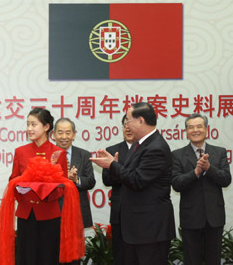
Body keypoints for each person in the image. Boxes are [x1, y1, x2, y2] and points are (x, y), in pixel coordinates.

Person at [0, 108, 84, 265]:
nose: (29, 129)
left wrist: (44, 191)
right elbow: (13, 180)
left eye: (33, 124)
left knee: (49, 257)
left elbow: (62, 187)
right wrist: (22, 190)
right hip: (26, 214)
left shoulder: (58, 153)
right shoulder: (21, 152)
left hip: (49, 215)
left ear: (46, 127)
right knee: (26, 257)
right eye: (28, 124)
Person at [90, 102, 175, 265]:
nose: (126, 125)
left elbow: (137, 180)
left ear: (141, 121)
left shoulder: (156, 147)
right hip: (137, 229)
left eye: (128, 120)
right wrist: (114, 165)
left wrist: (112, 165)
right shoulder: (139, 144)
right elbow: (127, 175)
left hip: (150, 229)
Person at [171, 113, 231, 264]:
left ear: (206, 129)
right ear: (186, 131)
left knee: (213, 259)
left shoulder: (220, 152)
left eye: (199, 126)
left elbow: (226, 180)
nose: (195, 130)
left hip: (214, 217)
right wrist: (196, 172)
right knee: (192, 260)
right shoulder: (177, 155)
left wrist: (209, 168)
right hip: (191, 217)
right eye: (191, 127)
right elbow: (176, 184)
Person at [102, 114, 135, 265]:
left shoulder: (148, 150)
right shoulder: (112, 150)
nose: (128, 127)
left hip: (141, 211)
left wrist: (118, 170)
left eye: (131, 124)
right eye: (125, 124)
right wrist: (114, 169)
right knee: (120, 254)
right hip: (119, 210)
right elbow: (107, 180)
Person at [54, 117, 95, 229]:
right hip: (54, 211)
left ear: (73, 135)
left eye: (68, 133)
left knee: (77, 246)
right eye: (60, 132)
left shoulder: (84, 155)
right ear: (53, 135)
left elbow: (91, 181)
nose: (64, 137)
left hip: (78, 210)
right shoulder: (48, 156)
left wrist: (76, 180)